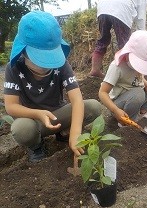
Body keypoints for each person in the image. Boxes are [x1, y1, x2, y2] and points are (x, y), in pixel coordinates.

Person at [3, 11, 102, 162]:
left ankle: (64, 132)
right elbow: (11, 107)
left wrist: (76, 133)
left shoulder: (62, 64)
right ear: (23, 51)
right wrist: (38, 114)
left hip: (58, 114)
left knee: (93, 106)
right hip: (34, 121)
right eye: (40, 60)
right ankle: (36, 146)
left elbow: (76, 99)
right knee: (21, 129)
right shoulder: (14, 68)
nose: (46, 66)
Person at [98, 30, 147, 123]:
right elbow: (102, 93)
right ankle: (127, 122)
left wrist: (146, 84)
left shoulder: (137, 65)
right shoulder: (117, 67)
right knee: (138, 94)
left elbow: (137, 78)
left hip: (135, 98)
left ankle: (142, 114)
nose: (139, 68)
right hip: (119, 104)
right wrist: (115, 110)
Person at [89, 0, 147, 78]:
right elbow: (141, 18)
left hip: (102, 8)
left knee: (103, 40)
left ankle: (95, 70)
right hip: (121, 9)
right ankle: (127, 74)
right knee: (125, 45)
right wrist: (141, 34)